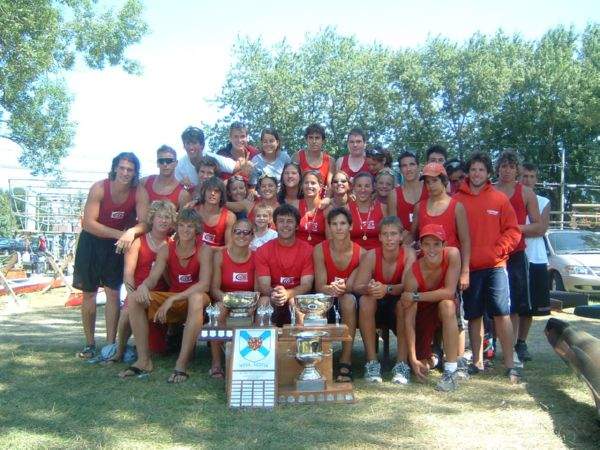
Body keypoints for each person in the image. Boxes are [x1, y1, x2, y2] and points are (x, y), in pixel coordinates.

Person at [453, 151, 522, 382]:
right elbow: (453, 233)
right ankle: (477, 362)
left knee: (501, 313)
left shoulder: (499, 199)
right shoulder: (457, 200)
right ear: (467, 172)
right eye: (473, 169)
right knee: (473, 315)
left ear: (488, 173)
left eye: (481, 169)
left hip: (495, 267)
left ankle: (510, 363)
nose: (477, 173)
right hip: (469, 268)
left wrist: (498, 251)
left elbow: (513, 231)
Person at [122, 208, 213, 383]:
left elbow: (204, 284)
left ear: (197, 229)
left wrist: (173, 298)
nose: (185, 230)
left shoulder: (204, 250)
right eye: (182, 225)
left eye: (190, 226)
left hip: (197, 301)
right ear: (176, 227)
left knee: (196, 298)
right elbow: (153, 277)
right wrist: (143, 286)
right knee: (134, 298)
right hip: (174, 298)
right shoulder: (166, 248)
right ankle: (143, 360)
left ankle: (181, 365)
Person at [73, 152, 149, 359]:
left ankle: (110, 343)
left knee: (113, 293)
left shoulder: (138, 192)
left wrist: (132, 232)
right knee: (89, 293)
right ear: (115, 168)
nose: (125, 173)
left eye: (130, 170)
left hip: (116, 246)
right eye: (122, 168)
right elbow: (88, 223)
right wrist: (121, 234)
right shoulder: (99, 188)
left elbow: (145, 222)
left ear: (135, 172)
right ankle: (89, 344)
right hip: (92, 242)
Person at [109, 200, 176, 363]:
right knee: (127, 311)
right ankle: (119, 350)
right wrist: (132, 295)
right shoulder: (138, 242)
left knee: (157, 351)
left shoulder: (173, 244)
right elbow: (128, 274)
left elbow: (172, 279)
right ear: (152, 219)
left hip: (159, 295)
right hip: (137, 291)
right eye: (160, 216)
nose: (163, 220)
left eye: (167, 217)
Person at [354, 216, 416, 383]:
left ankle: (402, 364)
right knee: (365, 301)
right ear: (380, 237)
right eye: (385, 234)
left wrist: (386, 288)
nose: (389, 238)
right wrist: (369, 288)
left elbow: (409, 286)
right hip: (376, 304)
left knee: (405, 303)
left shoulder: (409, 254)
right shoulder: (371, 255)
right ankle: (372, 363)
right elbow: (357, 286)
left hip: (397, 303)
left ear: (401, 236)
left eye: (393, 234)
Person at [400, 224, 462, 391]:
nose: (431, 249)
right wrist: (412, 358)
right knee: (421, 366)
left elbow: (449, 292)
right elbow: (409, 320)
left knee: (448, 305)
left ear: (444, 244)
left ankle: (451, 370)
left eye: (436, 244)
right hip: (424, 315)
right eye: (426, 244)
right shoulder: (413, 273)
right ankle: (436, 358)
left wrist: (415, 296)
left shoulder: (453, 254)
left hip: (443, 309)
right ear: (420, 245)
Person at [494, 150, 541, 361]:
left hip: (516, 253)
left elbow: (538, 226)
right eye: (503, 166)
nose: (507, 170)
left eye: (511, 167)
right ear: (498, 168)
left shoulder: (526, 193)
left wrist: (514, 228)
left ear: (517, 170)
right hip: (492, 254)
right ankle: (490, 345)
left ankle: (511, 347)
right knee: (493, 303)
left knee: (514, 304)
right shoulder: (489, 190)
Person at [313, 208, 365, 382]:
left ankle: (346, 359)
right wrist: (332, 289)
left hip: (349, 298)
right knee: (321, 301)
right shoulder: (319, 249)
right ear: (329, 227)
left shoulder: (361, 253)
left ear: (350, 226)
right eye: (334, 224)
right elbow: (320, 285)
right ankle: (316, 361)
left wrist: (345, 288)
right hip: (326, 296)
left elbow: (356, 286)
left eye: (343, 223)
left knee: (348, 300)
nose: (339, 228)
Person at [411, 162, 470, 289]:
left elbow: (465, 241)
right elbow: (413, 237)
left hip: (450, 266)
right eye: (427, 182)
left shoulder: (457, 207)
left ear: (444, 181)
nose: (431, 185)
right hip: (426, 267)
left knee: (447, 300)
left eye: (434, 181)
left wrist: (465, 272)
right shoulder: (419, 207)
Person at [210, 217, 256, 378]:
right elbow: (214, 289)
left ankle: (254, 358)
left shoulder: (257, 256)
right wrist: (231, 301)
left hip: (249, 302)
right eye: (238, 231)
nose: (242, 235)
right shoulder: (220, 256)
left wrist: (250, 303)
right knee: (218, 310)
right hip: (225, 300)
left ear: (252, 236)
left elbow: (258, 290)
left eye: (246, 232)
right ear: (231, 233)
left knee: (263, 306)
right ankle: (216, 363)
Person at [255, 204, 314, 326]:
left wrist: (287, 294)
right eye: (281, 221)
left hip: (297, 296)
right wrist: (276, 293)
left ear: (297, 225)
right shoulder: (263, 250)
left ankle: (301, 338)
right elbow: (264, 285)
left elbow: (307, 285)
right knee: (263, 302)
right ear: (275, 225)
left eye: (290, 221)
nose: (285, 225)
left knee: (294, 302)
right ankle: (261, 338)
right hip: (273, 296)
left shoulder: (308, 250)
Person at [519, 162, 552, 359]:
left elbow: (540, 229)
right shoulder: (510, 198)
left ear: (536, 179)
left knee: (529, 308)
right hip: (512, 256)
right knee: (507, 306)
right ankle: (495, 342)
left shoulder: (543, 201)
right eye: (524, 176)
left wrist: (514, 229)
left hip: (535, 258)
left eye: (532, 176)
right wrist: (528, 228)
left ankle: (521, 343)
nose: (528, 180)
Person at [388, 151, 428, 230]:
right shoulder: (394, 194)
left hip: (429, 236)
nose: (408, 169)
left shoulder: (429, 188)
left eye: (412, 164)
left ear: (419, 167)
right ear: (400, 170)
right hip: (404, 236)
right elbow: (393, 225)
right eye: (404, 166)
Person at [142, 145, 191, 210]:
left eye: (169, 161)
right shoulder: (144, 182)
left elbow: (184, 216)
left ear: (176, 163)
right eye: (161, 161)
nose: (165, 164)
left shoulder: (183, 194)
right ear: (157, 163)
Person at [348, 172, 386, 250]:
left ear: (373, 188)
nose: (363, 190)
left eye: (367, 186)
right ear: (354, 188)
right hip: (354, 254)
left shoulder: (383, 208)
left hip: (378, 254)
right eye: (359, 186)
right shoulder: (346, 210)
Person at [194, 177, 235, 247]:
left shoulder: (229, 217)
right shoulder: (194, 210)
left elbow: (229, 247)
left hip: (216, 252)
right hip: (193, 251)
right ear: (204, 192)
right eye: (209, 190)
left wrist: (209, 249)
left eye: (216, 191)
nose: (212, 193)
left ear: (222, 195)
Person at [295, 171, 327, 246]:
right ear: (302, 186)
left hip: (319, 251)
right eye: (306, 183)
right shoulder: (295, 206)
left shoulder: (326, 208)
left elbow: (330, 239)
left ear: (320, 186)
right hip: (298, 250)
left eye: (313, 183)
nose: (309, 186)